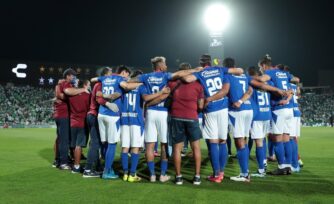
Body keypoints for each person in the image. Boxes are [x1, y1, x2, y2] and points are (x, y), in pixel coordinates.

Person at [127, 56, 202, 182]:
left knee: (149, 146)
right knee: (164, 145)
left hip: (150, 113)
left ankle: (151, 175)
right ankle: (162, 175)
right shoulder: (166, 76)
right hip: (163, 113)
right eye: (165, 64)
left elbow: (131, 81)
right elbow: (180, 73)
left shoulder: (146, 77)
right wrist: (195, 69)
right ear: (161, 66)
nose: (166, 66)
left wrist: (126, 79)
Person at [183, 54, 243, 183]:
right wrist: (220, 69)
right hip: (223, 108)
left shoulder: (200, 73)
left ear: (201, 63)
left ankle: (216, 174)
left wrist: (195, 70)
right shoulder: (220, 70)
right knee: (222, 141)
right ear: (210, 62)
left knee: (213, 142)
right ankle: (221, 172)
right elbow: (239, 71)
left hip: (210, 109)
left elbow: (187, 79)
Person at [90, 66, 140, 179]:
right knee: (112, 144)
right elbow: (124, 88)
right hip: (112, 115)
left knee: (105, 143)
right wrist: (139, 83)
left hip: (101, 114)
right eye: (127, 74)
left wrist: (103, 93)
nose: (127, 77)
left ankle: (106, 167)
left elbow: (93, 79)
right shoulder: (119, 80)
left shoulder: (104, 79)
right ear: (123, 73)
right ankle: (107, 171)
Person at [255, 55, 299, 175]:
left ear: (263, 65)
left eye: (260, 68)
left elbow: (261, 80)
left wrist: (274, 89)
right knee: (286, 138)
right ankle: (288, 166)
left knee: (277, 139)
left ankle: (281, 166)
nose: (260, 70)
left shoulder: (270, 72)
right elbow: (296, 81)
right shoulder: (284, 74)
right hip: (289, 110)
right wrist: (287, 98)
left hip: (278, 110)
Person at [247, 66, 287, 177]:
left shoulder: (251, 82)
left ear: (252, 74)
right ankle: (264, 163)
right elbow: (276, 97)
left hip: (257, 116)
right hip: (267, 114)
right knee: (263, 140)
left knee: (259, 143)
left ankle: (261, 170)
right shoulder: (269, 84)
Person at [223, 58, 254, 182]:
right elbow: (250, 90)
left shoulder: (227, 76)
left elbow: (225, 91)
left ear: (226, 67)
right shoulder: (244, 76)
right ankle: (246, 172)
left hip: (237, 112)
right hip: (248, 108)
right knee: (244, 141)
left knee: (239, 141)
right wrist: (242, 100)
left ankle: (244, 174)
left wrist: (238, 102)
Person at [83, 67, 117, 178]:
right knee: (95, 143)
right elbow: (99, 98)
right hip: (94, 115)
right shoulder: (100, 84)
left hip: (93, 115)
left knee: (97, 143)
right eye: (110, 73)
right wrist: (108, 104)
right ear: (105, 75)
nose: (111, 75)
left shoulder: (99, 84)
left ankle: (96, 167)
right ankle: (87, 170)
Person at [54, 68, 88, 170]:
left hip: (60, 114)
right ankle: (63, 163)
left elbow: (60, 94)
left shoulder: (61, 83)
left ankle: (59, 160)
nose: (75, 78)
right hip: (63, 114)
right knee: (64, 140)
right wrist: (82, 90)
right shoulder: (65, 83)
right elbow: (65, 93)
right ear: (68, 75)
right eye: (73, 75)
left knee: (60, 139)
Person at [68, 79, 91, 173]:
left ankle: (75, 164)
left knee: (74, 145)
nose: (89, 86)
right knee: (79, 145)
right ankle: (77, 167)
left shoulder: (71, 96)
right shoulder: (88, 96)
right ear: (85, 85)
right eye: (88, 84)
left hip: (72, 122)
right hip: (83, 122)